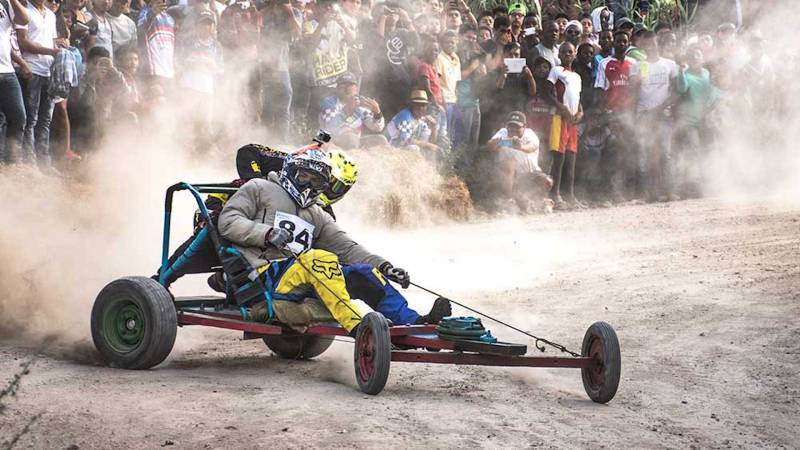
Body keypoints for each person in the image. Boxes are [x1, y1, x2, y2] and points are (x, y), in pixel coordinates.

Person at [217, 149, 411, 335]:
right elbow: (227, 221)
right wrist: (266, 233)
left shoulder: (317, 213)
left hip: (302, 276)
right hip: (263, 276)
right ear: (291, 172)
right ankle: (358, 327)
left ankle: (414, 322)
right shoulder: (260, 188)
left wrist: (384, 266)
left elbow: (348, 249)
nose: (308, 184)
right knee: (318, 258)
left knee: (364, 273)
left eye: (315, 181)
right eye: (303, 176)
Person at [16, 0, 67, 168]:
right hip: (31, 68)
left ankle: (43, 161)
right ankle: (30, 163)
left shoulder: (51, 15)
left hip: (47, 70)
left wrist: (58, 51)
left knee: (45, 119)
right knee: (31, 118)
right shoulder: (24, 11)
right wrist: (51, 51)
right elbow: (22, 41)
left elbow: (51, 42)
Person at [595, 29, 639, 202]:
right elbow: (600, 89)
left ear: (628, 43)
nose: (621, 44)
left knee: (628, 151)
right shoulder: (605, 63)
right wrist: (605, 112)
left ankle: (627, 190)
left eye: (624, 41)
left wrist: (633, 113)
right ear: (613, 43)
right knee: (612, 150)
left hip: (629, 114)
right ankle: (610, 190)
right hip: (612, 114)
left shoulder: (634, 63)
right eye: (618, 41)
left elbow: (636, 89)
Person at [635, 30, 678, 201]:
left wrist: (663, 107)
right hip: (644, 114)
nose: (651, 47)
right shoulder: (640, 66)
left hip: (663, 115)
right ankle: (647, 193)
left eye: (653, 43)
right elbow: (636, 91)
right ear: (643, 46)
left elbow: (675, 91)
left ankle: (669, 191)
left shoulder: (669, 64)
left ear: (657, 43)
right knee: (645, 154)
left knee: (665, 153)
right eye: (647, 44)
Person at [487, 110, 551, 212]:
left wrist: (520, 147)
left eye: (517, 127)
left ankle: (536, 201)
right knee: (509, 163)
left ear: (524, 127)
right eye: (511, 126)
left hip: (529, 176)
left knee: (547, 181)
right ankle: (508, 200)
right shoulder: (502, 132)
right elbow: (490, 145)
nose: (513, 129)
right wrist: (494, 143)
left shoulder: (530, 135)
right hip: (508, 178)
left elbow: (532, 147)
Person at [547, 42, 584, 210]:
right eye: (564, 52)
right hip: (559, 119)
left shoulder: (577, 77)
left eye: (570, 52)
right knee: (558, 158)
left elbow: (577, 98)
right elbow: (547, 92)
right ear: (559, 55)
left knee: (571, 157)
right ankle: (555, 194)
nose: (567, 54)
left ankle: (569, 194)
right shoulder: (556, 71)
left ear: (575, 54)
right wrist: (561, 108)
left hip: (573, 122)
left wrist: (580, 113)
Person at [318, 71, 386, 149]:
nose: (347, 88)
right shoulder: (329, 102)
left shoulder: (361, 104)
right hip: (327, 140)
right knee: (351, 138)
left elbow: (377, 128)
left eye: (350, 85)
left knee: (381, 140)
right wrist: (347, 110)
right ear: (337, 89)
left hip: (354, 142)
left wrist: (377, 113)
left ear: (356, 89)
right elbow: (331, 127)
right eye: (343, 85)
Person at [0, 0, 29, 164]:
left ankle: (12, 162)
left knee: (19, 117)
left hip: (7, 71)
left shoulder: (6, 4)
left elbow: (24, 20)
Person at [384, 89, 441, 156]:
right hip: (388, 147)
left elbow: (430, 142)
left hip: (401, 149)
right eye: (417, 104)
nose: (420, 108)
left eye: (423, 105)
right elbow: (406, 140)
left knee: (427, 150)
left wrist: (434, 128)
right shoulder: (405, 116)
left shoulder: (421, 120)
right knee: (414, 148)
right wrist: (428, 145)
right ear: (412, 105)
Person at [434, 30, 460, 144]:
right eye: (447, 42)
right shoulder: (439, 58)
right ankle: (441, 158)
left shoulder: (456, 58)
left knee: (453, 132)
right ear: (442, 44)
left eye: (453, 42)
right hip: (444, 102)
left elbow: (456, 82)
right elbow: (437, 80)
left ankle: (450, 158)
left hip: (454, 101)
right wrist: (442, 99)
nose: (450, 45)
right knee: (443, 132)